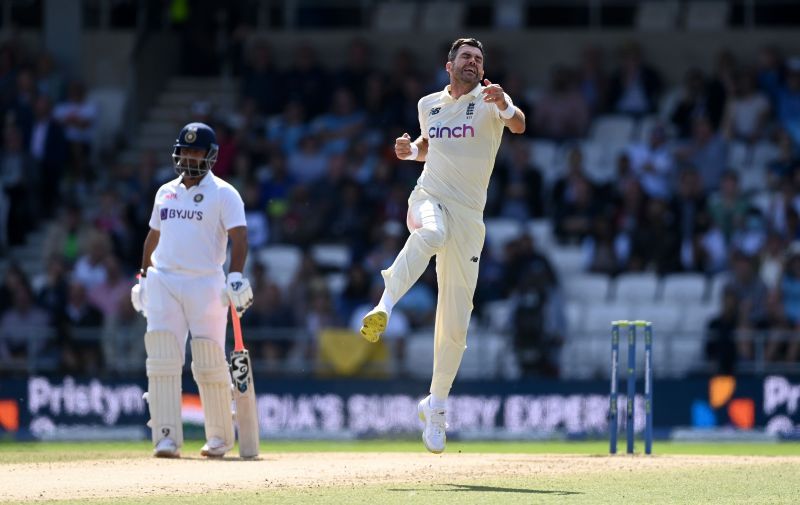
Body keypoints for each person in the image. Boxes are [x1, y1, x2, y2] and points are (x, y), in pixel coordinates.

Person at [359, 38, 525, 453]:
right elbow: (429, 147)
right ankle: (385, 305)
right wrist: (409, 150)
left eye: (479, 59)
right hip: (428, 198)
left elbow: (519, 123)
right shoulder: (427, 104)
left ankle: (435, 406)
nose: (473, 62)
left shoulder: (491, 101)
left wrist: (504, 103)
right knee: (431, 234)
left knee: (456, 319)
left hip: (470, 218)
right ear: (448, 65)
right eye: (466, 57)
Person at [130, 122, 253, 459]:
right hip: (164, 281)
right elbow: (152, 236)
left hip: (205, 283)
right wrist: (142, 276)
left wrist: (237, 275)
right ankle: (166, 436)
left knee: (209, 359)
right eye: (185, 150)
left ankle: (218, 438)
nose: (189, 156)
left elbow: (239, 237)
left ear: (210, 156)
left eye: (196, 151)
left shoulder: (225, 193)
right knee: (162, 357)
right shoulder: (164, 191)